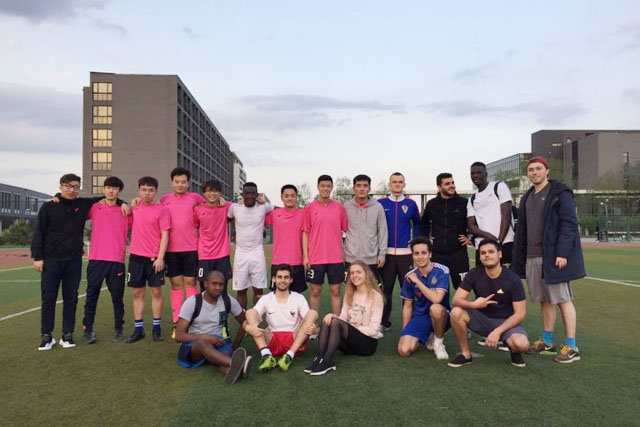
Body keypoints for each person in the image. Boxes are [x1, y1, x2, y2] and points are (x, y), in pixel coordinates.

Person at [31, 173, 127, 350]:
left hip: (74, 260)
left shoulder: (83, 204)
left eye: (75, 186)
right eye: (67, 186)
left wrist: (123, 202)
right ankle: (47, 336)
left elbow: (109, 198)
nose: (71, 189)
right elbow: (39, 232)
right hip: (52, 260)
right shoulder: (49, 206)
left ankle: (67, 335)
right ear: (60, 187)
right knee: (49, 299)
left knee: (71, 298)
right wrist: (37, 257)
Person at [512, 156, 586, 363]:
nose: (534, 172)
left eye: (538, 168)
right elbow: (523, 230)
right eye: (531, 170)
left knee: (562, 299)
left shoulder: (560, 193)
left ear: (547, 171)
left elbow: (569, 224)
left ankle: (572, 347)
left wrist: (562, 252)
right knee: (544, 300)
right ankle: (547, 342)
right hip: (532, 256)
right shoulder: (527, 197)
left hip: (552, 257)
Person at [447, 239, 529, 368]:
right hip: (482, 319)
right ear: (480, 257)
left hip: (505, 322)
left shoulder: (512, 279)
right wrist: (474, 305)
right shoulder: (474, 273)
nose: (487, 255)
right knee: (456, 312)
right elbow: (456, 300)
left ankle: (514, 350)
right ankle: (466, 354)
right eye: (483, 253)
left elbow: (520, 314)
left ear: (499, 254)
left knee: (522, 344)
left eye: (491, 252)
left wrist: (498, 331)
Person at [306, 261, 384, 376]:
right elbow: (342, 318)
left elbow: (373, 330)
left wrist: (356, 327)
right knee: (329, 320)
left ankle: (327, 361)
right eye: (352, 273)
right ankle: (320, 358)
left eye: (358, 272)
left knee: (336, 323)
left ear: (366, 274)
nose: (355, 275)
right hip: (350, 343)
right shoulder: (350, 293)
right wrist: (333, 316)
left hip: (367, 344)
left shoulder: (376, 296)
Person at [175, 270, 250, 385]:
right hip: (195, 345)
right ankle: (238, 363)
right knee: (203, 344)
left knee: (223, 360)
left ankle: (235, 370)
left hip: (219, 343)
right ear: (205, 284)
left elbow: (245, 322)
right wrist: (205, 337)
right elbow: (178, 336)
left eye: (221, 284)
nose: (218, 287)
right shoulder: (192, 302)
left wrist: (235, 345)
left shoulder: (228, 300)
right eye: (214, 284)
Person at [82, 176, 131, 344]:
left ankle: (119, 329)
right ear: (103, 189)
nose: (111, 191)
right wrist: (58, 196)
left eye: (115, 188)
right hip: (96, 260)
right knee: (91, 296)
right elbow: (75, 207)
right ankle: (88, 329)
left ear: (119, 191)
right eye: (108, 187)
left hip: (116, 261)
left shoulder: (125, 210)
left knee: (117, 297)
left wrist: (125, 203)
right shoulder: (95, 207)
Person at [243, 264, 318, 373]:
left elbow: (310, 322)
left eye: (286, 277)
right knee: (250, 312)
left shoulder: (299, 298)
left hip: (294, 340)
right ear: (274, 279)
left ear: (291, 280)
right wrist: (248, 328)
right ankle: (266, 355)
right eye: (279, 277)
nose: (283, 280)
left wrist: (314, 329)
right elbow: (249, 319)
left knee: (313, 313)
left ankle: (289, 356)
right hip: (271, 340)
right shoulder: (266, 298)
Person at [159, 168, 206, 337]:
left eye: (183, 182)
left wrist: (222, 200)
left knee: (191, 283)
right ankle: (176, 322)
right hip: (171, 251)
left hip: (191, 249)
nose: (180, 185)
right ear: (172, 182)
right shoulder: (164, 200)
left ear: (188, 183)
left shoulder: (196, 198)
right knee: (176, 285)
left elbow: (212, 204)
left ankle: (193, 320)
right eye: (177, 182)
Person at [126, 176, 171, 343]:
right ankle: (139, 329)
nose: (147, 193)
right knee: (137, 293)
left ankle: (156, 328)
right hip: (136, 258)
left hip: (154, 259)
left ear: (156, 191)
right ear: (139, 190)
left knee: (156, 292)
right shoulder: (135, 207)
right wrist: (128, 204)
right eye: (143, 190)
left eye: (151, 190)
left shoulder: (162, 210)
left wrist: (160, 258)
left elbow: (165, 234)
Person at [378, 172, 421, 332]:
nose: (397, 184)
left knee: (408, 289)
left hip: (405, 255)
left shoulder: (411, 204)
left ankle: (411, 322)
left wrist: (415, 239)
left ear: (404, 184)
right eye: (394, 182)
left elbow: (417, 223)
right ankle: (383, 322)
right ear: (389, 184)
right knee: (386, 289)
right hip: (386, 254)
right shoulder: (380, 203)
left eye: (400, 182)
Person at [397, 237, 450, 360]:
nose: (420, 257)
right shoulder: (409, 276)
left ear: (430, 254)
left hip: (442, 315)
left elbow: (437, 299)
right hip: (421, 316)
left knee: (435, 308)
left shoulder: (442, 270)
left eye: (424, 253)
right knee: (404, 350)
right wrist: (406, 331)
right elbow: (407, 306)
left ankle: (439, 343)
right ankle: (429, 334)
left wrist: (417, 281)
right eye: (416, 253)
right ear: (412, 255)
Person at [303, 175, 348, 315]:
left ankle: (337, 323)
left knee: (335, 291)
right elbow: (305, 233)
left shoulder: (339, 208)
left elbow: (345, 231)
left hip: (335, 258)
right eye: (322, 186)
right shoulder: (309, 208)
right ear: (318, 187)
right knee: (315, 291)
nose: (325, 189)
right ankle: (313, 324)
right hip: (316, 257)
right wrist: (306, 256)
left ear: (332, 187)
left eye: (328, 186)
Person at [421, 173, 470, 290]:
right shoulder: (432, 204)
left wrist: (470, 238)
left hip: (459, 254)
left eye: (452, 183)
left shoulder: (464, 203)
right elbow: (424, 223)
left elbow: (475, 222)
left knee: (462, 289)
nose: (451, 185)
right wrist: (426, 238)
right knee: (436, 289)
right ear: (439, 187)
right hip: (437, 254)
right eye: (447, 183)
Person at [228, 182, 273, 309]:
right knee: (241, 290)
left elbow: (281, 209)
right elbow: (223, 219)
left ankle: (256, 317)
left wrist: (264, 201)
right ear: (242, 194)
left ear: (257, 195)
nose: (250, 196)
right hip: (241, 254)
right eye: (247, 193)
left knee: (258, 290)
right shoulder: (234, 208)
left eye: (253, 194)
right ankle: (243, 317)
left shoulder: (264, 207)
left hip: (257, 253)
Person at [467, 162, 515, 266]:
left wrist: (498, 242)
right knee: (482, 276)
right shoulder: (472, 199)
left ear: (486, 174)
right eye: (472, 173)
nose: (475, 175)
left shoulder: (499, 187)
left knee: (505, 276)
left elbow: (506, 216)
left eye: (479, 172)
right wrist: (488, 236)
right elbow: (471, 226)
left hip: (504, 243)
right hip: (482, 246)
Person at [344, 174, 387, 282]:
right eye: (358, 186)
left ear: (369, 188)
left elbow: (383, 232)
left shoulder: (377, 207)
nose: (362, 189)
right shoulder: (346, 207)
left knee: (371, 290)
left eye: (365, 186)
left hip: (371, 259)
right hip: (351, 258)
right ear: (353, 189)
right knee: (351, 289)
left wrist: (382, 254)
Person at [265, 185, 307, 293]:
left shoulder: (303, 214)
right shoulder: (274, 214)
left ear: (296, 197)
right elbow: (257, 214)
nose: (289, 198)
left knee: (296, 296)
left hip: (297, 262)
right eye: (286, 196)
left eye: (292, 196)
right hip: (278, 262)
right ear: (282, 198)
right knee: (276, 295)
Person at [193, 179, 233, 293]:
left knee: (222, 287)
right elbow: (195, 225)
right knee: (204, 287)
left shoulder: (227, 206)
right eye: (209, 191)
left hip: (222, 254)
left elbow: (242, 204)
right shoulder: (197, 209)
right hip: (204, 255)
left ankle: (223, 305)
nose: (212, 194)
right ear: (204, 193)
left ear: (220, 193)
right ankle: (204, 305)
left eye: (216, 191)